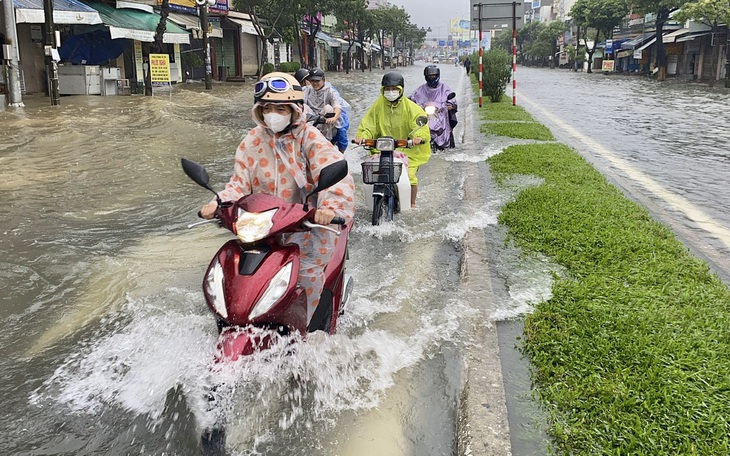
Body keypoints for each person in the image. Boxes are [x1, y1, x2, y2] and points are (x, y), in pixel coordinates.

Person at [200, 72, 355, 325]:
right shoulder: (251, 141)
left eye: (281, 108)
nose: (274, 113)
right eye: (267, 107)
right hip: (262, 229)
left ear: (295, 109)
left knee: (306, 278)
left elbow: (335, 172)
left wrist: (329, 207)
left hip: (307, 227)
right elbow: (238, 183)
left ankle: (309, 329)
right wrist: (219, 203)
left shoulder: (310, 138)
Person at [355, 72, 431, 208]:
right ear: (383, 90)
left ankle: (412, 204)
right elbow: (369, 124)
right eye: (387, 89)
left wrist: (418, 137)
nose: (391, 92)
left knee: (411, 177)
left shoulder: (411, 108)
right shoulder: (378, 106)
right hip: (382, 148)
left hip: (407, 150)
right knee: (372, 174)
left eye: (394, 89)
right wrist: (362, 136)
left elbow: (420, 126)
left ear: (401, 89)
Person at [296, 67, 351, 153]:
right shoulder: (306, 90)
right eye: (312, 81)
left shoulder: (331, 92)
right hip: (310, 121)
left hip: (327, 122)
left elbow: (337, 107)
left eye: (317, 81)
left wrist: (334, 118)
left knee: (328, 108)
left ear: (323, 80)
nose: (315, 83)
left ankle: (326, 142)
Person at [409, 65, 457, 151]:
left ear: (437, 75)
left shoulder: (444, 88)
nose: (431, 78)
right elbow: (413, 97)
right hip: (426, 115)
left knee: (447, 129)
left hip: (441, 115)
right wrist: (410, 102)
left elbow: (452, 99)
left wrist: (451, 105)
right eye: (429, 76)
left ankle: (447, 144)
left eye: (433, 76)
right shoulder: (421, 89)